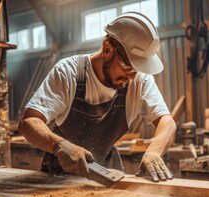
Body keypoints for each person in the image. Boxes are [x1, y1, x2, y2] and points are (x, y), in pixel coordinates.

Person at [18, 12, 176, 182]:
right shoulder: (68, 72)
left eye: (137, 70)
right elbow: (29, 122)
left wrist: (154, 152)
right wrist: (61, 146)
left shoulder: (140, 81)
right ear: (107, 49)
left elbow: (167, 123)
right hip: (59, 177)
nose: (132, 76)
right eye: (128, 67)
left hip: (109, 176)